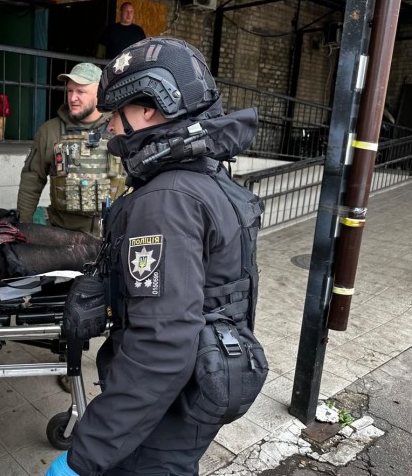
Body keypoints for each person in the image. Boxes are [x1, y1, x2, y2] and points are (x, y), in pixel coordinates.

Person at [46, 37, 261, 476]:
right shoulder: (203, 175)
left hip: (163, 412)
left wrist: (83, 458)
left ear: (149, 109)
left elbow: (161, 345)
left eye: (116, 113)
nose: (110, 126)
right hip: (191, 391)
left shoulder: (166, 199)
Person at [17, 62, 125, 238]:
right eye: (69, 91)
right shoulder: (50, 131)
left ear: (99, 94)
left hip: (113, 234)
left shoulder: (119, 128)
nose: (73, 98)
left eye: (81, 92)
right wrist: (23, 228)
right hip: (63, 235)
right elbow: (32, 180)